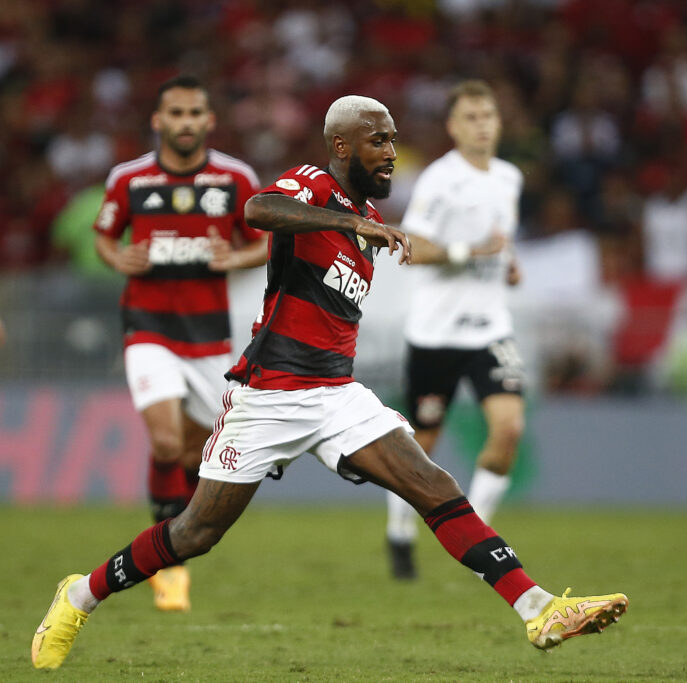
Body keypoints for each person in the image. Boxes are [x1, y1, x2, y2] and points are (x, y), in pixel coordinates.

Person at [31, 95, 628, 671]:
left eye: (394, 140)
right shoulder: (316, 184)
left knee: (431, 482)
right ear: (343, 145)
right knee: (195, 532)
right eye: (379, 140)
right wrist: (346, 221)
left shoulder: (366, 217)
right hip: (266, 395)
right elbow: (258, 211)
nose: (391, 151)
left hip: (337, 395)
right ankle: (79, 595)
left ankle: (538, 608)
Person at [91, 75, 269, 611]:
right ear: (158, 120)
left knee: (197, 451)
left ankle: (174, 535)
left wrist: (231, 259)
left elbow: (262, 242)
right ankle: (166, 566)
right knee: (166, 442)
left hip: (209, 337)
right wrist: (116, 256)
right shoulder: (129, 179)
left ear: (209, 121)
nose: (185, 122)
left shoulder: (236, 178)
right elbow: (105, 233)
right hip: (148, 327)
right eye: (176, 113)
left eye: (195, 113)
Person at [385, 80, 527, 580]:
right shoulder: (439, 181)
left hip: (490, 328)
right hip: (436, 333)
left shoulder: (509, 177)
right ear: (452, 126)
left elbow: (500, 242)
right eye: (470, 117)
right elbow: (411, 248)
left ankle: (480, 539)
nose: (481, 125)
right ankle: (400, 530)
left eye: (488, 116)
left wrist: (508, 264)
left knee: (509, 428)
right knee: (420, 447)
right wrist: (470, 253)